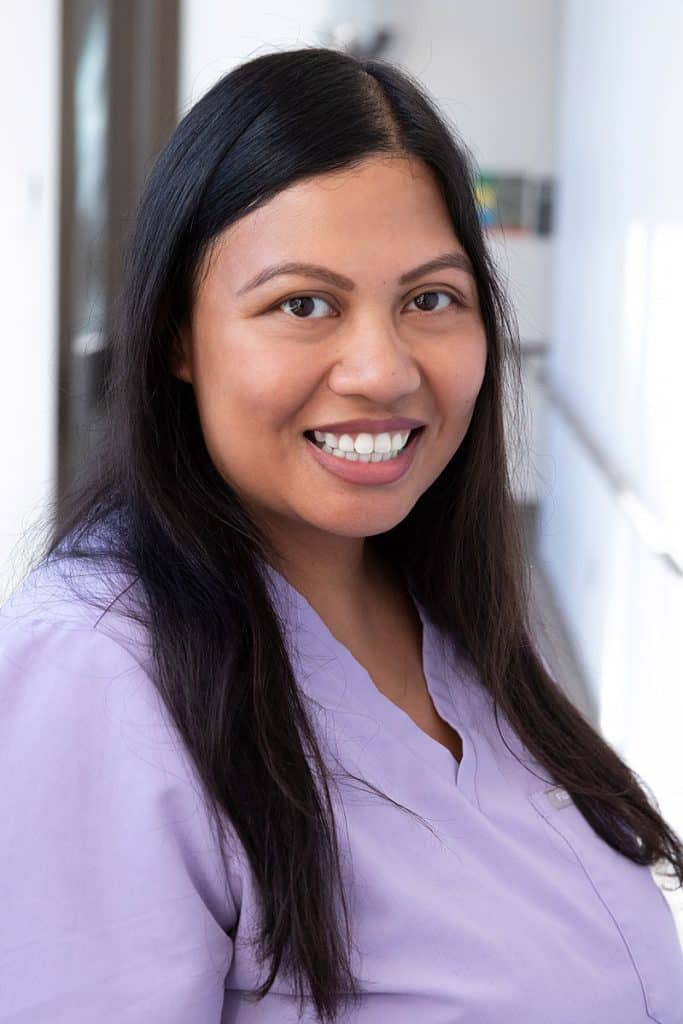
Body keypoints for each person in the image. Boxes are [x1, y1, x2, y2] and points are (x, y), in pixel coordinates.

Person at [1, 46, 681, 1024]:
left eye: (429, 299)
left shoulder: (441, 607)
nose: (382, 369)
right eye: (302, 304)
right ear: (177, 340)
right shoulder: (94, 675)